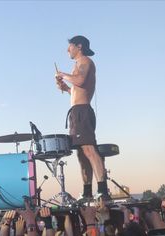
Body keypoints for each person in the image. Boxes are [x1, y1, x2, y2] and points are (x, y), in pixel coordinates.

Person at [55, 35, 109, 201]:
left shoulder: (85, 61)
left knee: (89, 150)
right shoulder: (78, 65)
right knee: (81, 153)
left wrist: (63, 75)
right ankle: (87, 191)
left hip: (82, 111)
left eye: (70, 46)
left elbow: (80, 80)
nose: (67, 50)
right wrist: (65, 88)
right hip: (76, 111)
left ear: (79, 46)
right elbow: (78, 89)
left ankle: (102, 190)